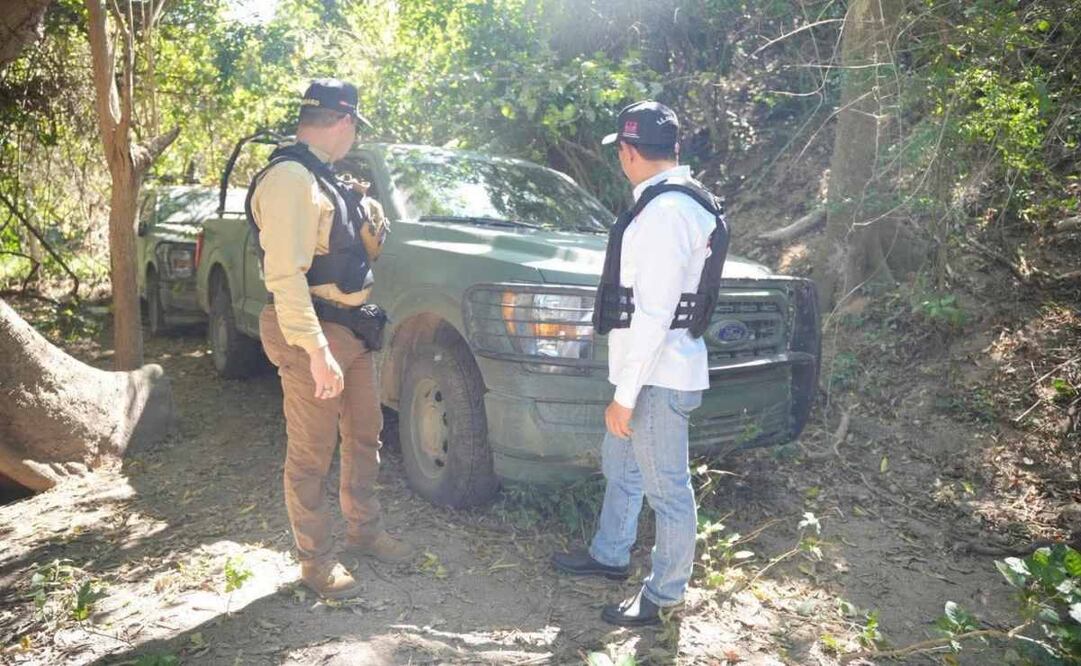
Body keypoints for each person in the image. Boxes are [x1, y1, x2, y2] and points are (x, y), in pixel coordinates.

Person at [552, 100, 729, 626]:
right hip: (652, 368)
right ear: (671, 148)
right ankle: (610, 554)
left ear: (628, 152)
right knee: (622, 469)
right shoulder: (674, 203)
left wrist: (624, 396)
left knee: (666, 488)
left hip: (657, 373)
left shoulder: (666, 213)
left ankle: (663, 595)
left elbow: (653, 313)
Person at [247, 78, 412, 600]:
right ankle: (315, 560)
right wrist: (316, 352)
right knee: (312, 452)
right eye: (355, 128)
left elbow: (339, 255)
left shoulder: (325, 177)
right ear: (343, 122)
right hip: (311, 332)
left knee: (365, 434)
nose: (354, 137)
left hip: (351, 328)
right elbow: (286, 278)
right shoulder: (290, 179)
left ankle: (363, 531)